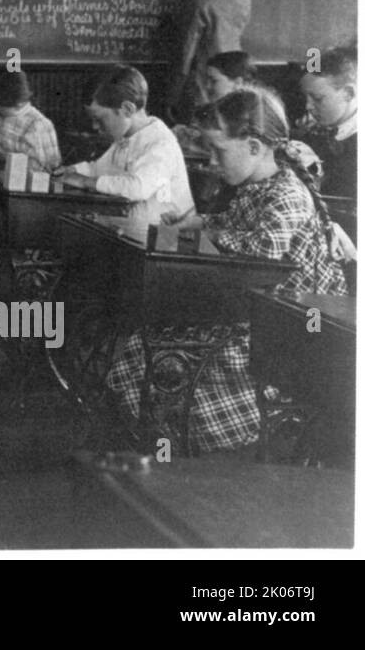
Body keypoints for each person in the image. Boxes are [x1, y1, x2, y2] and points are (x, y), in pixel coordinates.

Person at [107, 88, 347, 453]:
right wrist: (197, 222)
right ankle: (152, 437)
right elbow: (231, 226)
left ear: (254, 147)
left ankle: (182, 444)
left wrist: (203, 231)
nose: (213, 163)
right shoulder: (257, 186)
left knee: (178, 349)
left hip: (285, 333)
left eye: (219, 152)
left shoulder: (287, 194)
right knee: (150, 335)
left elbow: (261, 259)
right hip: (254, 312)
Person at [55, 65, 193, 225]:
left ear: (127, 109)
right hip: (132, 229)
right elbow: (99, 169)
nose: (94, 127)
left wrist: (85, 181)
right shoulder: (126, 137)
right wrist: (74, 171)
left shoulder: (161, 143)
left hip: (164, 238)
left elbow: (137, 188)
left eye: (99, 119)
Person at [168, 0, 251, 122]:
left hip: (205, 82)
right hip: (236, 78)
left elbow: (185, 54)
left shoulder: (199, 0)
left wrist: (173, 94)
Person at [295, 44, 357, 199]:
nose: (307, 106)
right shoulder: (314, 131)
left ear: (348, 94)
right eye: (306, 98)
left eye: (317, 99)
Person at [0, 68, 61, 172]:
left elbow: (44, 170)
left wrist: (0, 151)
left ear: (18, 104)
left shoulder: (37, 125)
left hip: (26, 186)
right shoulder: (1, 113)